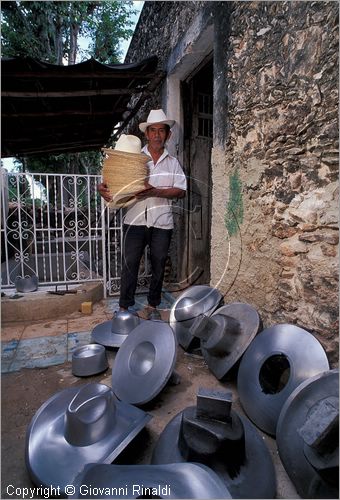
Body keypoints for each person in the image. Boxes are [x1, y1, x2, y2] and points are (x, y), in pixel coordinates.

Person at [98, 109, 187, 319]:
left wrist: (155, 191)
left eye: (161, 131)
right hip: (134, 221)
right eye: (153, 130)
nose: (157, 135)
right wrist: (102, 189)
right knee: (129, 265)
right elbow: (112, 184)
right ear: (146, 134)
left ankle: (152, 306)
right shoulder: (133, 158)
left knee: (158, 266)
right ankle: (123, 308)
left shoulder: (173, 163)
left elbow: (181, 191)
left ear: (168, 135)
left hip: (162, 224)